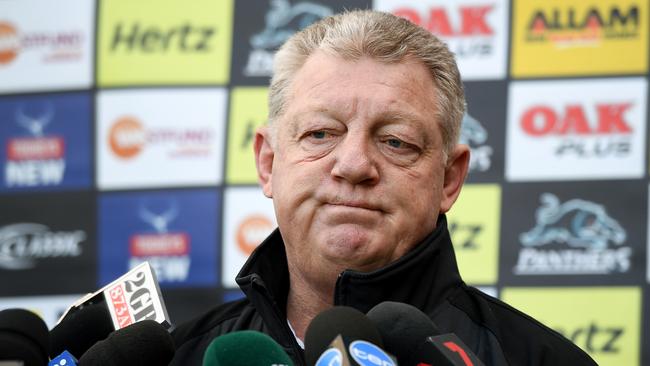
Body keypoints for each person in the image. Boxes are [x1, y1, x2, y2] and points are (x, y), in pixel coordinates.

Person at [170, 10, 597, 366]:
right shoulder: (179, 356)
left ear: (449, 179)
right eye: (320, 133)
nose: (354, 165)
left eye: (396, 141)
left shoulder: (539, 358)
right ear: (269, 163)